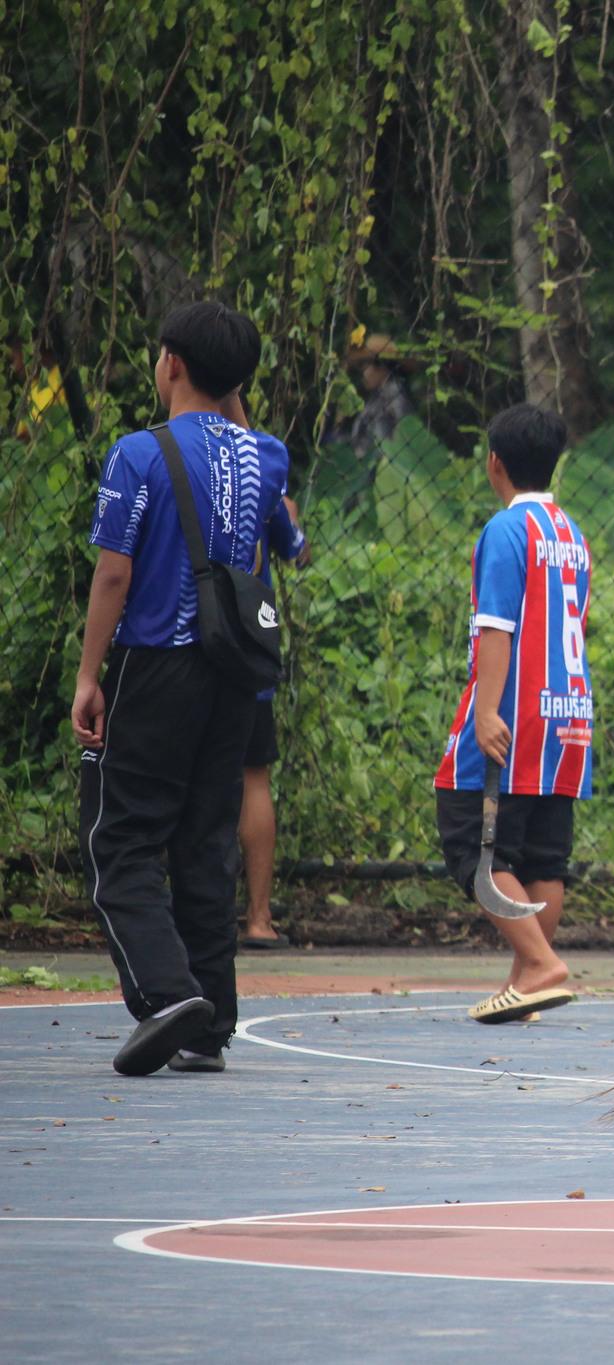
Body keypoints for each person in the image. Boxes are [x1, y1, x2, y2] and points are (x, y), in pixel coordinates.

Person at [71, 301, 297, 1075]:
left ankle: (166, 993)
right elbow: (284, 534)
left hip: (155, 659)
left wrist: (88, 674)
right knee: (205, 837)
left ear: (170, 362)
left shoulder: (138, 453)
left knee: (120, 833)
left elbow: (113, 573)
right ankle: (210, 1022)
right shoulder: (268, 456)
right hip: (233, 672)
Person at [433, 403, 592, 1024]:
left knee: (470, 841)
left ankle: (541, 964)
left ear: (493, 463)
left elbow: (496, 626)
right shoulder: (570, 533)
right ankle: (529, 981)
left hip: (516, 712)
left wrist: (487, 711)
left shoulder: (505, 531)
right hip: (568, 713)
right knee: (541, 855)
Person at [237, 460, 308, 950]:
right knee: (252, 774)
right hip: (245, 635)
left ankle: (187, 914)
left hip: (180, 641)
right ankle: (258, 919)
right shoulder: (261, 461)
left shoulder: (159, 450)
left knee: (183, 774)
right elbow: (294, 548)